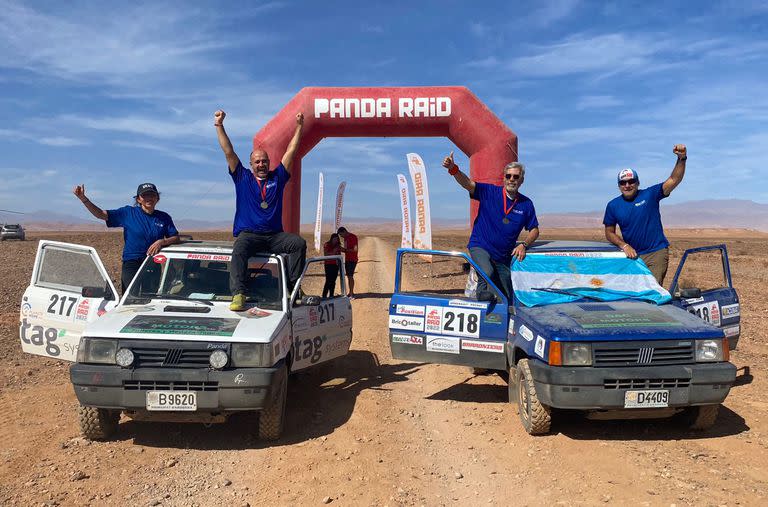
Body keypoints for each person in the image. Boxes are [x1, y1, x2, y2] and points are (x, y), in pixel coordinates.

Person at [214, 109, 307, 311]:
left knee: (297, 243)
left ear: (269, 162)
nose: (261, 164)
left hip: (274, 236)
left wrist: (299, 127)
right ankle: (239, 293)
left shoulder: (278, 177)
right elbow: (228, 151)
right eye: (257, 161)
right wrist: (219, 126)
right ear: (251, 164)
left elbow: (291, 152)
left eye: (264, 161)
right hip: (250, 235)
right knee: (239, 249)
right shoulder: (242, 177)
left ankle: (292, 289)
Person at [441, 152, 539, 300]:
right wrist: (453, 168)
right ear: (504, 178)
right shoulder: (489, 192)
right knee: (486, 272)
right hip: (481, 246)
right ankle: (481, 297)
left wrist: (524, 245)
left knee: (506, 295)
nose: (511, 179)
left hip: (502, 256)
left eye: (516, 177)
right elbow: (467, 183)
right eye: (508, 176)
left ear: (521, 180)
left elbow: (534, 230)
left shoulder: (526, 204)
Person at [603, 144, 687, 285]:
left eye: (631, 181)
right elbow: (609, 232)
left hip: (656, 253)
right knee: (634, 291)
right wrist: (624, 246)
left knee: (651, 290)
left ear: (637, 183)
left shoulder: (650, 195)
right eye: (623, 182)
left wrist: (682, 158)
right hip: (632, 256)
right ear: (619, 185)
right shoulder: (613, 205)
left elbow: (674, 180)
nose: (627, 185)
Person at [73, 182, 180, 292]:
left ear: (157, 198)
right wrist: (83, 199)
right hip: (132, 262)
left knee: (149, 297)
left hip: (152, 262)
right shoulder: (128, 213)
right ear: (138, 199)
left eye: (152, 195)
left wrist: (161, 242)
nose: (149, 198)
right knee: (129, 296)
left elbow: (176, 238)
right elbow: (101, 214)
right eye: (145, 195)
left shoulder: (164, 217)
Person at [337, 226, 358, 298]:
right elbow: (346, 250)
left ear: (344, 231)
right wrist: (340, 249)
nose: (341, 236)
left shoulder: (353, 237)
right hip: (347, 259)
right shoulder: (345, 238)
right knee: (348, 276)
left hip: (353, 260)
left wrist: (345, 250)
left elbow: (355, 250)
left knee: (350, 276)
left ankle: (352, 294)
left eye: (341, 234)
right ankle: (350, 292)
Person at [322, 233, 342, 298]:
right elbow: (326, 254)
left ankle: (331, 295)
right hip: (328, 265)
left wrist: (350, 250)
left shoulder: (338, 246)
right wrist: (334, 251)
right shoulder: (327, 244)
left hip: (336, 265)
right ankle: (324, 295)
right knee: (328, 280)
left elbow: (340, 253)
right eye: (335, 239)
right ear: (332, 238)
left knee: (333, 281)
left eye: (337, 239)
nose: (336, 240)